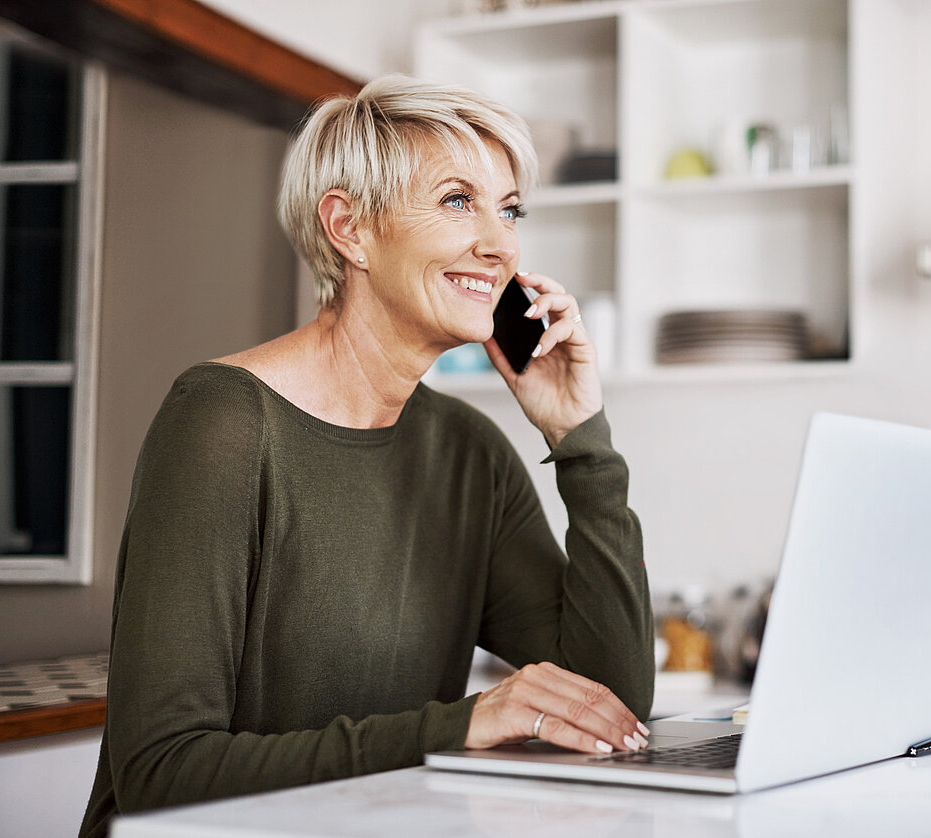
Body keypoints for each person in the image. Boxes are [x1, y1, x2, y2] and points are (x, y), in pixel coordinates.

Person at [80, 74, 654, 838]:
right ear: (349, 228)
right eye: (459, 200)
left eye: (509, 208)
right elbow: (161, 773)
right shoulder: (222, 422)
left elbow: (610, 700)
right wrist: (458, 727)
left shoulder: (467, 453)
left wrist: (579, 438)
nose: (502, 243)